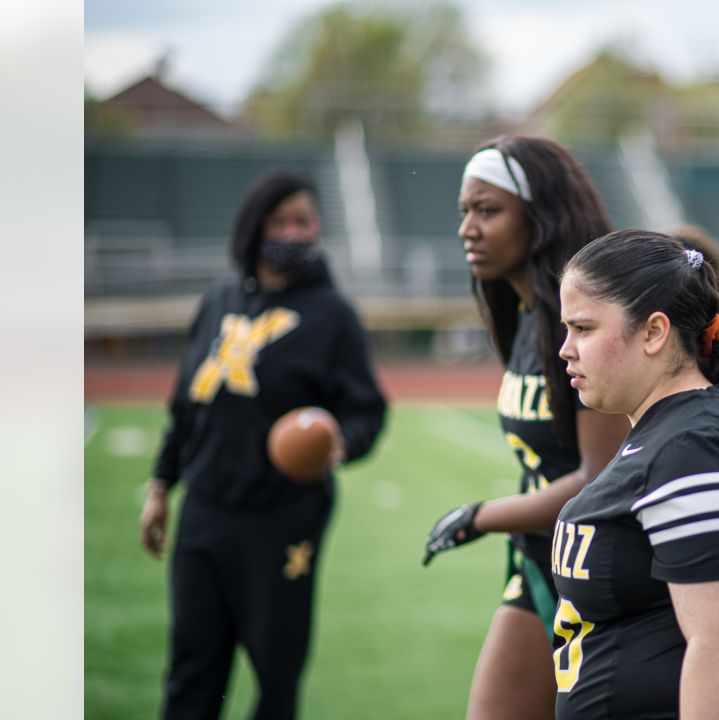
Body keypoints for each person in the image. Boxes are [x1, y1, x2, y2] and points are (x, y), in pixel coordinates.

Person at [139, 170, 387, 719]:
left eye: (306, 222)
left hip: (282, 521)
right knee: (190, 671)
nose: (296, 233)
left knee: (276, 679)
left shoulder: (333, 315)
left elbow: (367, 410)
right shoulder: (216, 302)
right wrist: (160, 487)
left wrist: (335, 443)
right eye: (282, 221)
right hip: (203, 514)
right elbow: (184, 408)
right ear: (255, 226)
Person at [551, 229, 719, 719]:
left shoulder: (698, 444)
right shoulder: (671, 429)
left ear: (653, 332)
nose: (566, 348)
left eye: (583, 329)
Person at [421, 136, 631, 720]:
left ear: (541, 218)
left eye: (487, 211)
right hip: (544, 560)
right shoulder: (523, 317)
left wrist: (482, 516)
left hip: (608, 571)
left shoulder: (586, 321)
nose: (468, 228)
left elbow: (601, 479)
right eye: (464, 212)